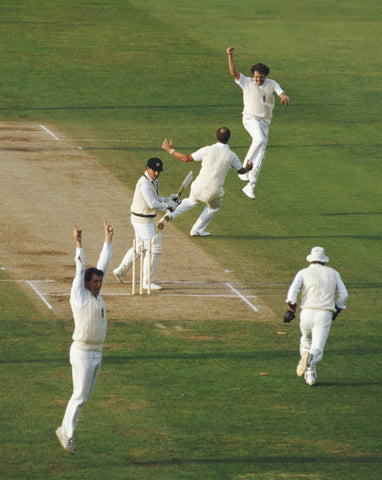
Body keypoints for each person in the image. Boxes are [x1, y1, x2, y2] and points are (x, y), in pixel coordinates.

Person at [56, 219, 114, 454]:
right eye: (96, 282)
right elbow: (81, 269)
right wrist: (78, 243)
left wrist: (108, 241)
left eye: (100, 281)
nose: (99, 284)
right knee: (79, 394)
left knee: (84, 396)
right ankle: (66, 433)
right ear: (86, 284)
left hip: (97, 352)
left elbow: (103, 265)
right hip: (81, 351)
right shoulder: (79, 296)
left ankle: (66, 431)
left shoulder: (97, 296)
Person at [158, 126, 252, 237]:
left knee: (190, 201)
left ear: (216, 136)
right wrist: (248, 168)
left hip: (198, 187)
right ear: (228, 138)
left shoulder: (207, 149)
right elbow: (241, 171)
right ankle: (196, 230)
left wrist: (170, 150)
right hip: (214, 192)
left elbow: (186, 158)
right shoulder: (232, 155)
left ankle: (171, 215)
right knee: (213, 208)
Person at [226, 46, 290, 200]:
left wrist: (284, 97)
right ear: (253, 75)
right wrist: (230, 56)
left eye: (261, 77)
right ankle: (243, 169)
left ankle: (251, 185)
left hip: (264, 123)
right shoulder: (247, 82)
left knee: (261, 154)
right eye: (256, 77)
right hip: (250, 118)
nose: (258, 80)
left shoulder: (271, 83)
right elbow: (233, 73)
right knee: (259, 140)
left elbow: (281, 93)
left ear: (265, 76)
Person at [284, 246, 348, 386]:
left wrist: (291, 309)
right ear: (324, 261)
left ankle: (310, 374)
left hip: (306, 313)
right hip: (324, 314)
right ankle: (310, 360)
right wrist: (337, 308)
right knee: (317, 350)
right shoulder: (334, 273)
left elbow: (292, 292)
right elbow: (344, 295)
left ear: (311, 260)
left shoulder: (303, 272)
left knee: (306, 340)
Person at [113, 157, 179, 290]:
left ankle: (120, 270)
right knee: (153, 248)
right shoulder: (144, 183)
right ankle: (147, 282)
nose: (156, 173)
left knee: (140, 247)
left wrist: (168, 199)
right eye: (154, 170)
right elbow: (152, 204)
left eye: (158, 171)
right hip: (142, 221)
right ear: (147, 169)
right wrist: (168, 206)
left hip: (142, 219)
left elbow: (155, 198)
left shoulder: (153, 181)